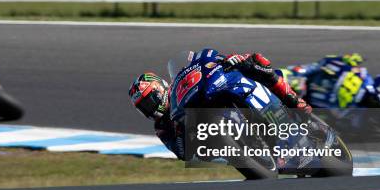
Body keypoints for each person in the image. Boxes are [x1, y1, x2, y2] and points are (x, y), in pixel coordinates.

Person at [129, 50, 312, 160]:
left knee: (255, 63)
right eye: (144, 107)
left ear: (160, 89)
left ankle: (293, 100)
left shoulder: (180, 88)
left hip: (215, 91)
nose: (150, 109)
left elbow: (207, 59)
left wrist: (226, 60)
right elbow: (182, 153)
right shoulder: (162, 127)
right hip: (214, 149)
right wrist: (179, 131)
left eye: (149, 101)